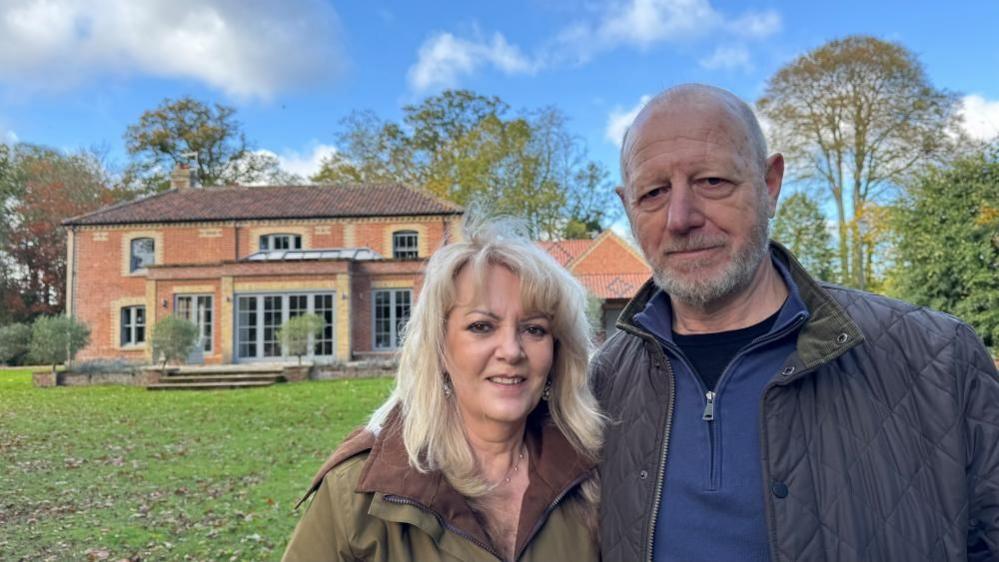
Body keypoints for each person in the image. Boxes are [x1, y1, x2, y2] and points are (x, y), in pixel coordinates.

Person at [592, 83, 999, 562]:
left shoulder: (940, 360)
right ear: (628, 207)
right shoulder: (596, 388)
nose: (680, 218)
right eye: (653, 192)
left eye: (712, 181)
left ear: (770, 184)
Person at [282, 220, 604, 562]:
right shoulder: (356, 494)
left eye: (534, 329)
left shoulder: (593, 480)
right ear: (439, 348)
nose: (512, 351)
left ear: (556, 351)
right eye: (482, 326)